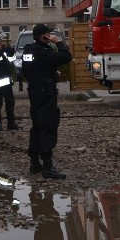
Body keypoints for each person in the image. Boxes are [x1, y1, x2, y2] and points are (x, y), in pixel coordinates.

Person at [21, 23, 72, 178]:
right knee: (48, 126)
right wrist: (58, 42)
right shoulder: (43, 52)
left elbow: (28, 69)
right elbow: (66, 57)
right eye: (48, 34)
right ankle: (48, 166)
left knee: (36, 126)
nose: (50, 36)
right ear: (43, 36)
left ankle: (34, 163)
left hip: (35, 92)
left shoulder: (28, 51)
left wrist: (48, 71)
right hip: (45, 93)